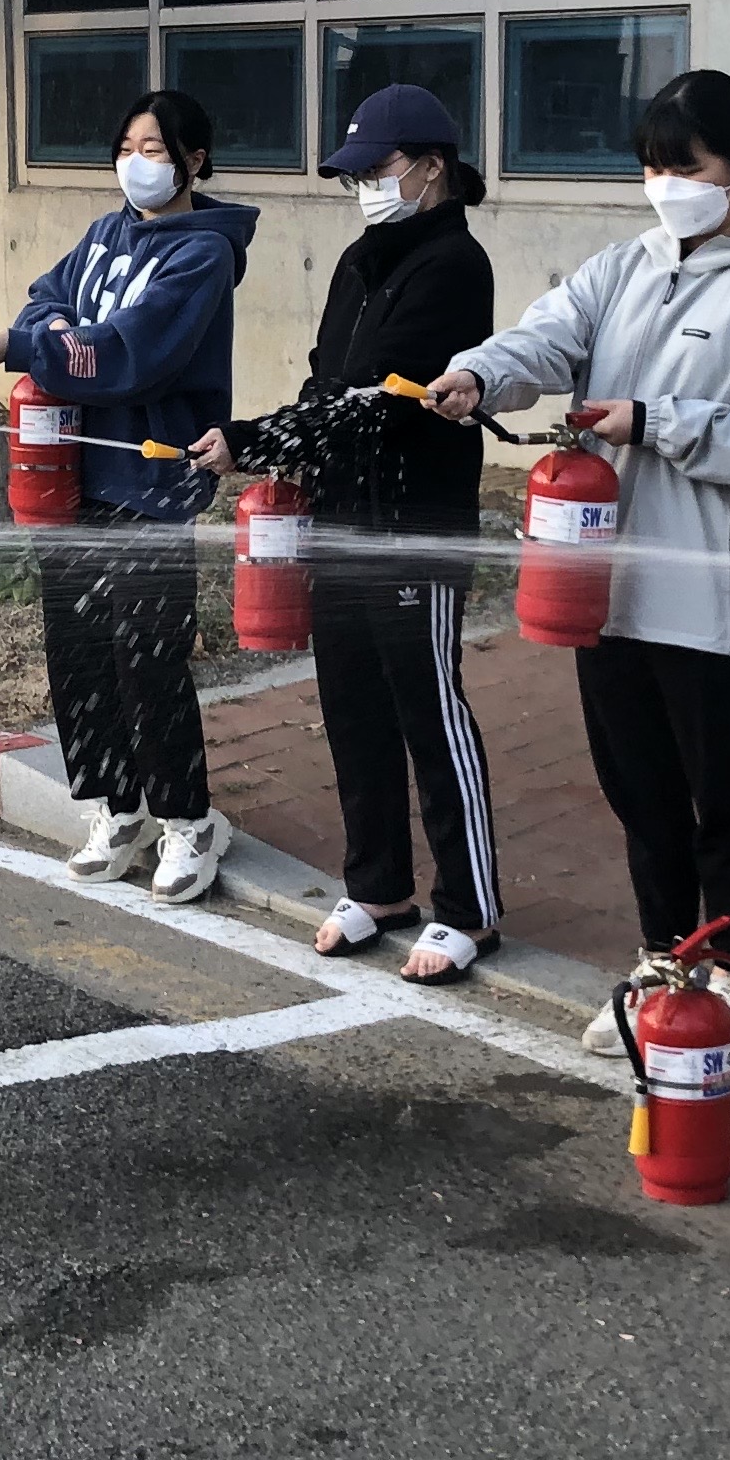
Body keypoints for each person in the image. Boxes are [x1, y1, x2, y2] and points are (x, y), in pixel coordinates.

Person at [427, 69, 730, 1061]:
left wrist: (656, 422)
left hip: (705, 581)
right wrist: (481, 372)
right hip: (603, 579)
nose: (667, 187)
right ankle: (664, 961)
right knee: (639, 788)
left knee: (718, 790)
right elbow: (548, 336)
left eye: (686, 167)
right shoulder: (625, 266)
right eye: (653, 168)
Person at [188, 83, 502, 985]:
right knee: (353, 705)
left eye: (377, 169)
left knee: (428, 710)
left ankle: (470, 908)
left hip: (414, 525)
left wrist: (254, 439)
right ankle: (379, 886)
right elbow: (327, 383)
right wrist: (283, 445)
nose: (364, 187)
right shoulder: (360, 261)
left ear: (432, 169)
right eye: (354, 175)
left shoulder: (454, 266)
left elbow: (381, 402)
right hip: (340, 515)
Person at [0, 88, 259, 904]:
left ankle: (189, 821)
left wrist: (35, 345)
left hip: (152, 480)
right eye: (127, 148)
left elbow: (134, 352)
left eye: (154, 150)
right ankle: (116, 807)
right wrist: (50, 330)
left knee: (147, 656)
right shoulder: (104, 235)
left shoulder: (202, 255)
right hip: (75, 476)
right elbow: (47, 296)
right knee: (79, 651)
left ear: (195, 160)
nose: (137, 164)